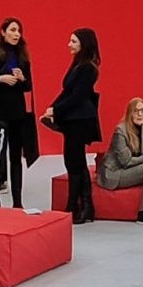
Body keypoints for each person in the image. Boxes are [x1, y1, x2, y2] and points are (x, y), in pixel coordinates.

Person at [0, 17, 39, 208]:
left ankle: (18, 202)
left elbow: (28, 86)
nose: (16, 34)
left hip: (17, 112)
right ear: (3, 32)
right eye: (12, 30)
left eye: (18, 31)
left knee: (15, 158)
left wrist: (22, 78)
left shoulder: (22, 54)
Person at [43, 28, 103, 221]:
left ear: (84, 44)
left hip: (80, 120)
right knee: (75, 162)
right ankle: (84, 206)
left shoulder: (88, 68)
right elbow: (67, 92)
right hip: (73, 120)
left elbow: (78, 96)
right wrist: (52, 107)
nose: (69, 44)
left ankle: (74, 206)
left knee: (74, 162)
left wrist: (56, 110)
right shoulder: (79, 64)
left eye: (74, 41)